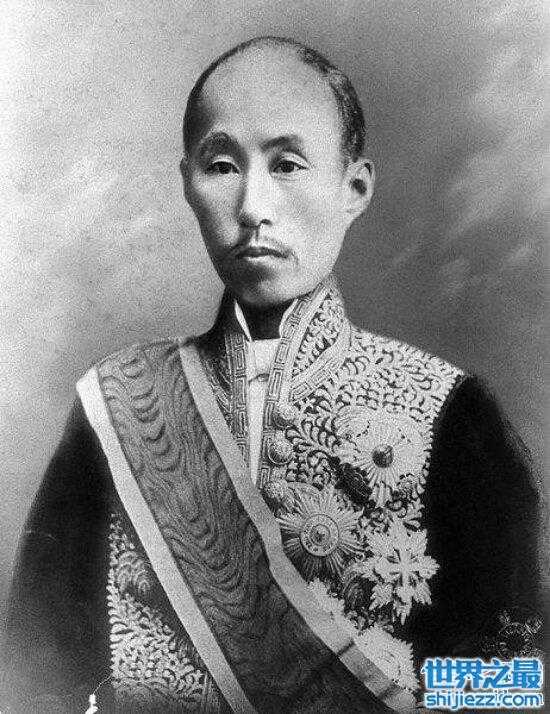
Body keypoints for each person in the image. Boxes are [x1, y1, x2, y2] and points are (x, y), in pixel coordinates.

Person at [1, 36, 543, 714]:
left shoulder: (448, 411)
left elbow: (511, 683)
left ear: (354, 188)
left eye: (287, 165)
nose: (254, 206)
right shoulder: (115, 403)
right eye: (222, 166)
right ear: (187, 183)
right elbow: (30, 677)